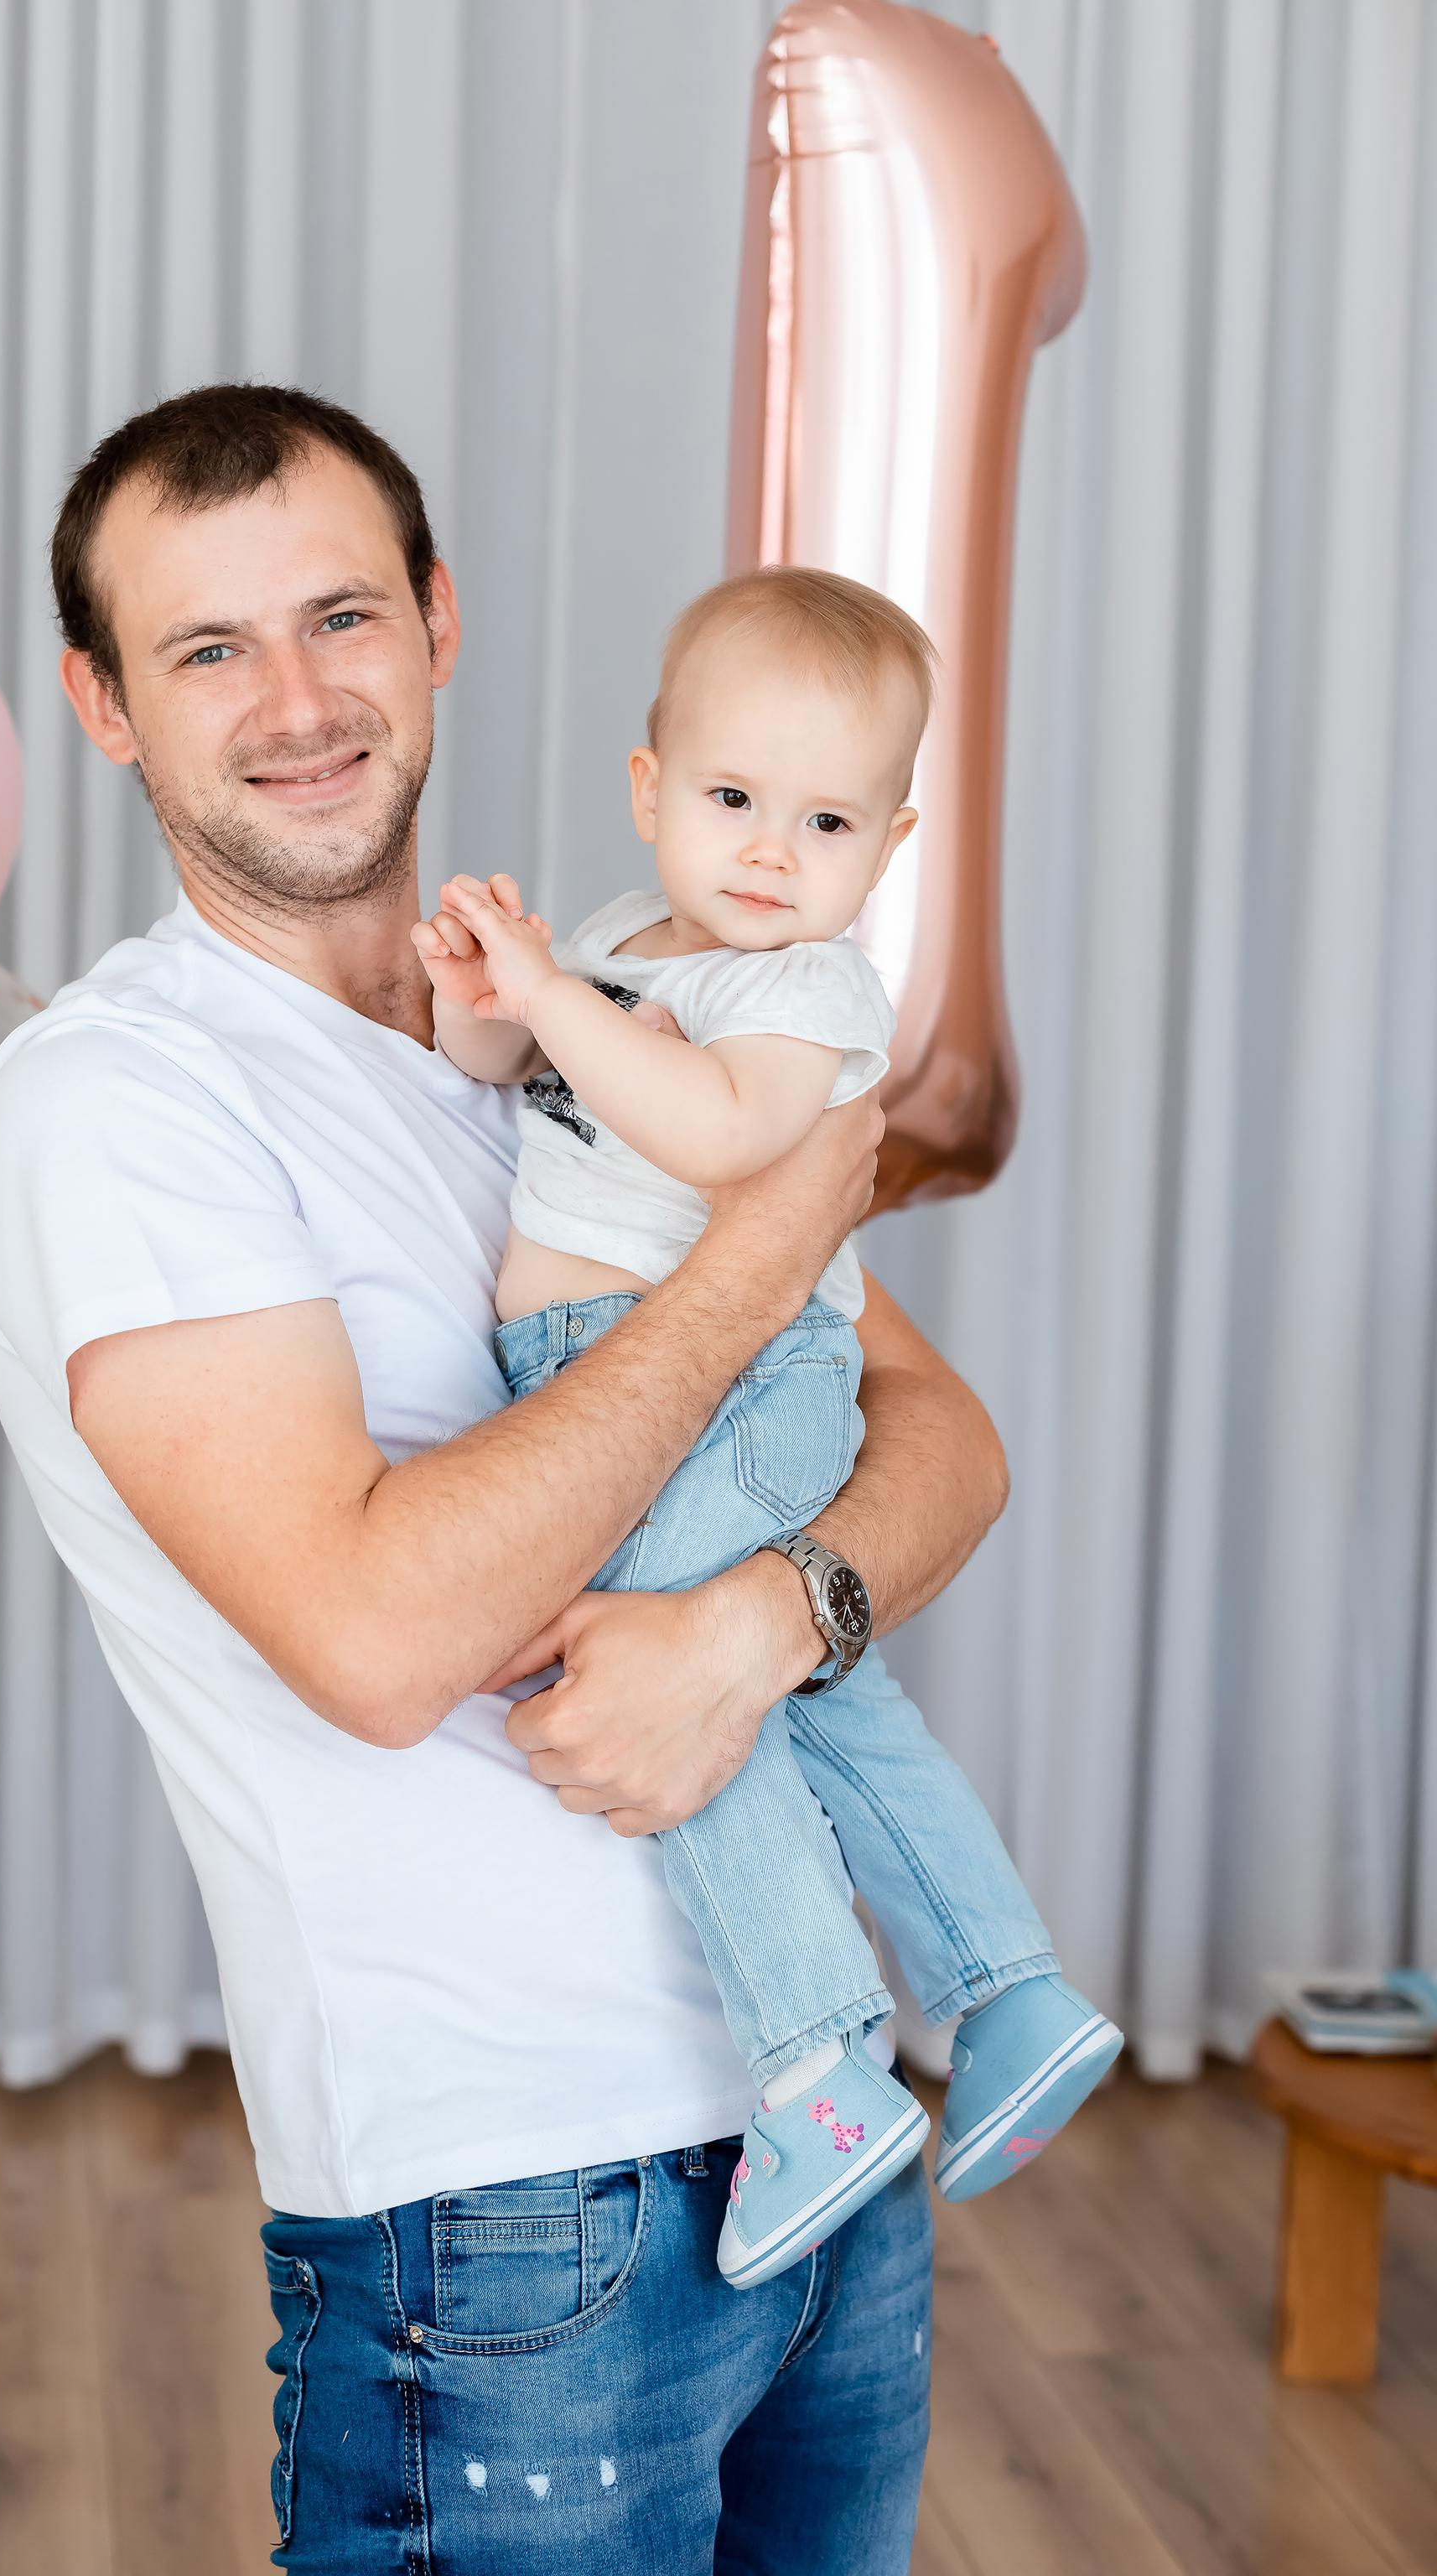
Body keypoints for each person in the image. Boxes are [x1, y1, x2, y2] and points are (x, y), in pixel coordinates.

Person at [0, 383, 1008, 2575]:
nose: (299, 701)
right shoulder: (116, 1101)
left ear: (440, 622)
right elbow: (376, 1636)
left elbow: (948, 1440)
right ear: (103, 707)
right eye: (208, 651)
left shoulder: (585, 1015)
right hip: (510, 2216)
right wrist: (753, 1254)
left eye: (343, 616)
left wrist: (758, 1623)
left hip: (821, 2134)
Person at [417, 567, 1119, 2293]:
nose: (766, 852)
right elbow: (507, 1068)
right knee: (824, 1692)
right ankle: (1006, 1991)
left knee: (665, 1670)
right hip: (629, 1368)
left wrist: (559, 1000)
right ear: (651, 790)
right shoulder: (622, 941)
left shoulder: (806, 996)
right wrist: (481, 989)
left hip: (735, 1383)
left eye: (822, 821)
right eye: (731, 801)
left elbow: (722, 1136)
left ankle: (817, 2066)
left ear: (883, 851)